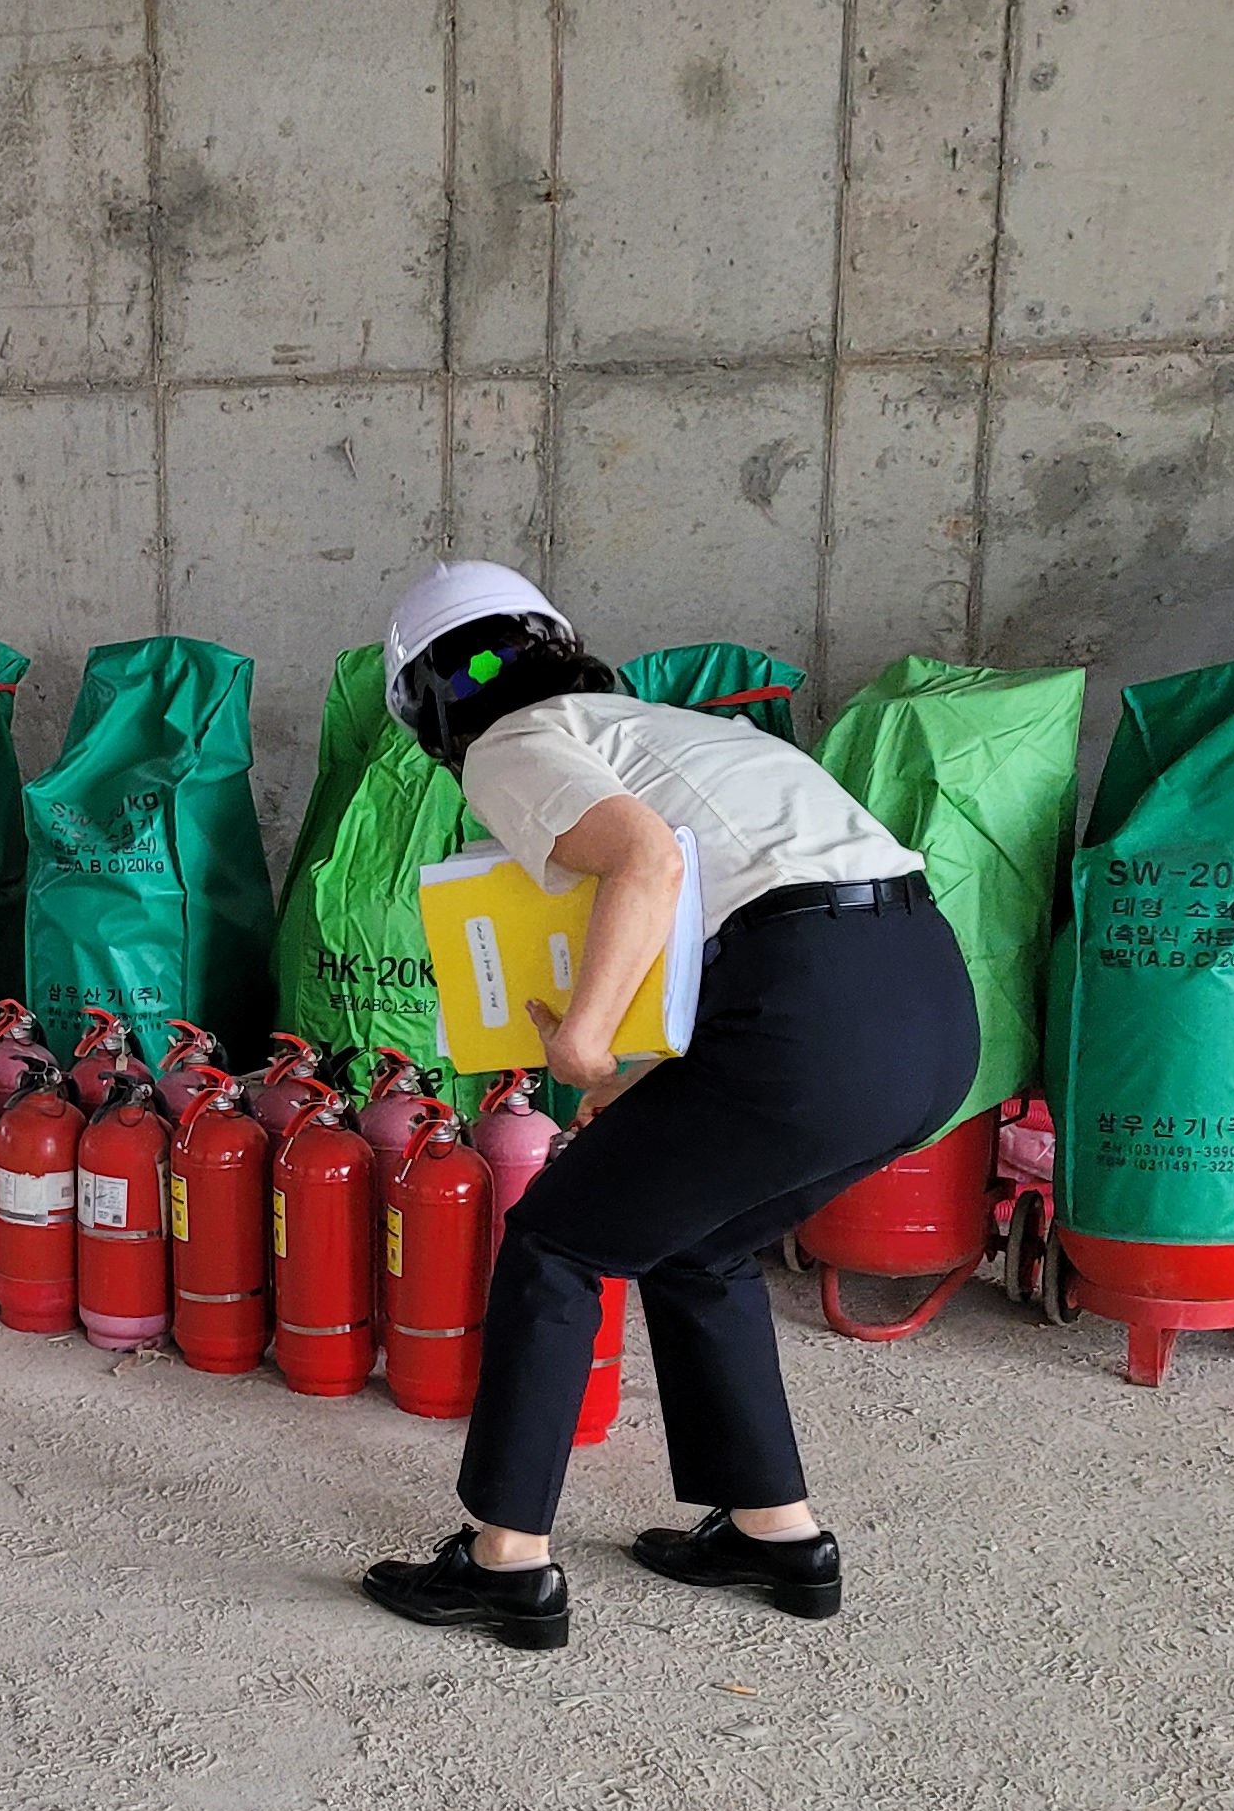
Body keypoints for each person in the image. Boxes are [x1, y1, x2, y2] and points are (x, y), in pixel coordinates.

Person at [355, 562, 975, 1649]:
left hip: (804, 1016)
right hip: (926, 1014)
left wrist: (582, 1047)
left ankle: (505, 1563)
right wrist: (643, 1081)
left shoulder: (515, 742)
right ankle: (774, 1532)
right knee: (700, 1240)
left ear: (427, 709)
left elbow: (643, 862)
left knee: (556, 1241)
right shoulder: (669, 730)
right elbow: (741, 923)